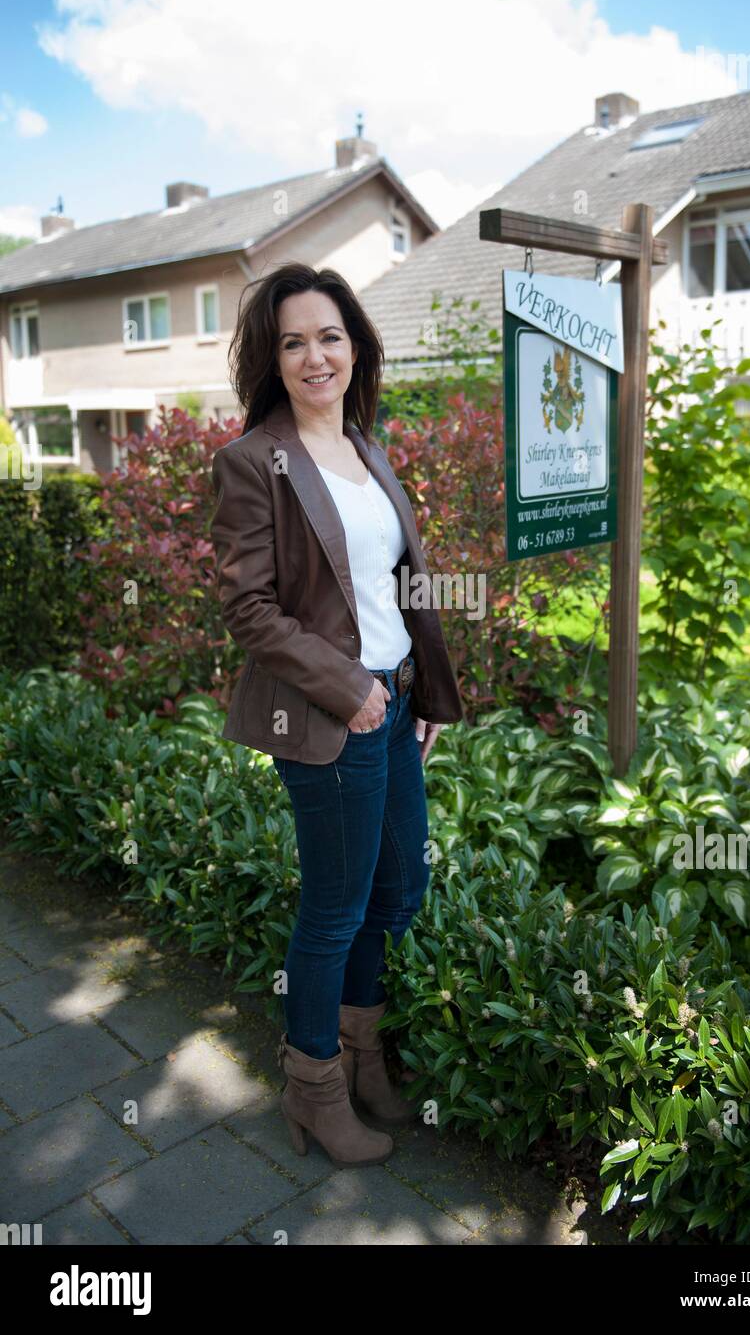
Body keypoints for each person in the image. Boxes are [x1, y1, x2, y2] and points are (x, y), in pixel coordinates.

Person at [209, 262, 464, 1167]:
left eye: (329, 336)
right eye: (292, 342)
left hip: (393, 709)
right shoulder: (252, 463)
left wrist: (419, 689)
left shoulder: (366, 446)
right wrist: (351, 686)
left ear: (355, 346)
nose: (315, 355)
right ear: (272, 362)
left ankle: (364, 1054)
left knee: (398, 892)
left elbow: (395, 583)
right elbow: (250, 609)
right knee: (334, 909)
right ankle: (313, 1088)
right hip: (330, 718)